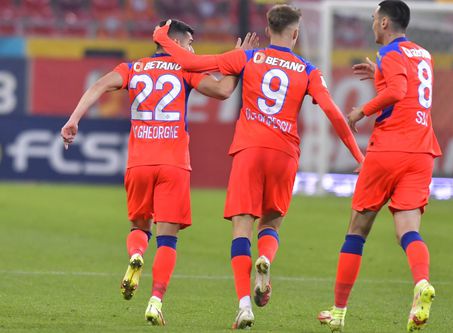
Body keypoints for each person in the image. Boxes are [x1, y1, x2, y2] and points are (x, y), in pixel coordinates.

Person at [152, 4, 365, 329]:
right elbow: (334, 114)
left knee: (242, 227)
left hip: (249, 149)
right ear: (295, 33)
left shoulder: (247, 57)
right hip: (285, 153)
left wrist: (163, 39)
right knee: (271, 225)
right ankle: (265, 259)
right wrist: (359, 157)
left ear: (267, 30)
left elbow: (191, 62)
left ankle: (243, 307)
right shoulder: (308, 70)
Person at [60, 19, 257, 327]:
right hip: (174, 164)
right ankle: (155, 301)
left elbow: (98, 85)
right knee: (167, 239)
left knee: (139, 227)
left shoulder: (132, 68)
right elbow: (222, 91)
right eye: (190, 44)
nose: (193, 50)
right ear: (176, 44)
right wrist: (238, 62)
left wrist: (73, 120)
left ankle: (137, 254)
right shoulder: (185, 69)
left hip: (138, 163)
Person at [317, 1, 442, 332]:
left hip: (390, 147)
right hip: (422, 151)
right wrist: (381, 75)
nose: (372, 24)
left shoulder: (390, 52)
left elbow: (399, 92)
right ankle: (422, 283)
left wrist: (361, 111)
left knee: (357, 229)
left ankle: (338, 312)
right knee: (408, 229)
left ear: (385, 23)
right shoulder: (423, 54)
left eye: (374, 19)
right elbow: (410, 90)